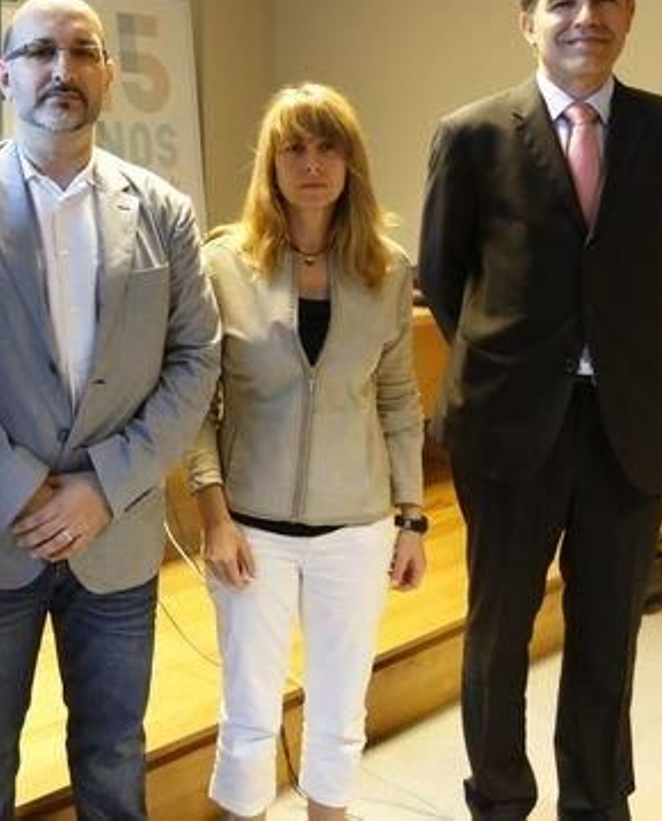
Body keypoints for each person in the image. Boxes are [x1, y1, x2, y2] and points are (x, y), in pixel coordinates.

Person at [419, 0, 662, 820]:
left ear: (630, 10)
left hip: (629, 422)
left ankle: (594, 800)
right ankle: (499, 800)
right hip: (509, 427)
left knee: (607, 635)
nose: (587, 15)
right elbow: (443, 276)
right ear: (527, 20)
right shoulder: (470, 135)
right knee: (499, 634)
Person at [0, 0, 220, 819]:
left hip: (114, 537)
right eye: (41, 51)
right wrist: (22, 489)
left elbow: (198, 357)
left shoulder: (163, 210)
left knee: (115, 747)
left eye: (83, 52)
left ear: (110, 75)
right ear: (3, 74)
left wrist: (104, 486)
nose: (63, 69)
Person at [188, 83, 427, 821]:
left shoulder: (386, 268)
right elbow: (198, 401)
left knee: (339, 707)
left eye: (328, 145)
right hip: (251, 528)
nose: (312, 162)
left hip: (356, 529)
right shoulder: (224, 262)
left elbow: (397, 397)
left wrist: (412, 516)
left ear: (351, 161)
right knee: (250, 709)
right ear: (270, 162)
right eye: (294, 146)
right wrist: (213, 514)